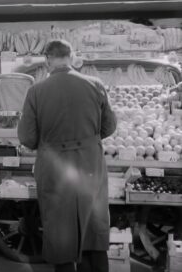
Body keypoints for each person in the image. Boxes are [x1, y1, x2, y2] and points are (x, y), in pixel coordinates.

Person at [18, 40, 117, 272]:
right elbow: (109, 127)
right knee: (93, 224)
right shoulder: (96, 85)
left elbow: (27, 138)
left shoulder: (36, 91)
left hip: (55, 167)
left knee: (59, 228)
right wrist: (87, 140)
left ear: (47, 60)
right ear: (71, 57)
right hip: (90, 163)